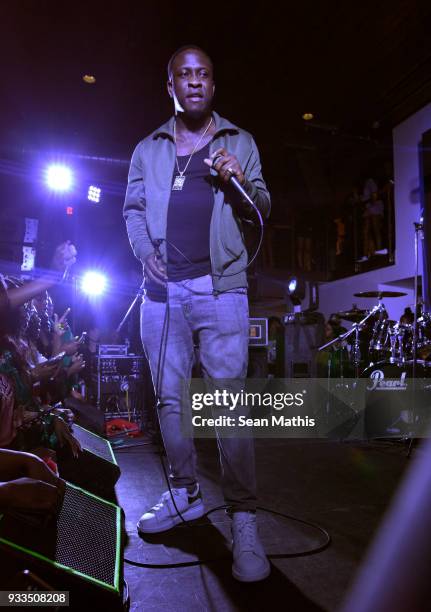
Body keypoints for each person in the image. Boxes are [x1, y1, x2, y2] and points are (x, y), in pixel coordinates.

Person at [123, 45, 271, 582]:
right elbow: (133, 210)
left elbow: (262, 209)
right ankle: (184, 494)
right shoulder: (149, 148)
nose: (194, 82)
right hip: (161, 295)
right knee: (170, 399)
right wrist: (144, 253)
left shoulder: (240, 142)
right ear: (170, 86)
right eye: (183, 75)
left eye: (203, 74)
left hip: (222, 288)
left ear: (213, 85)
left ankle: (244, 519)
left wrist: (241, 180)